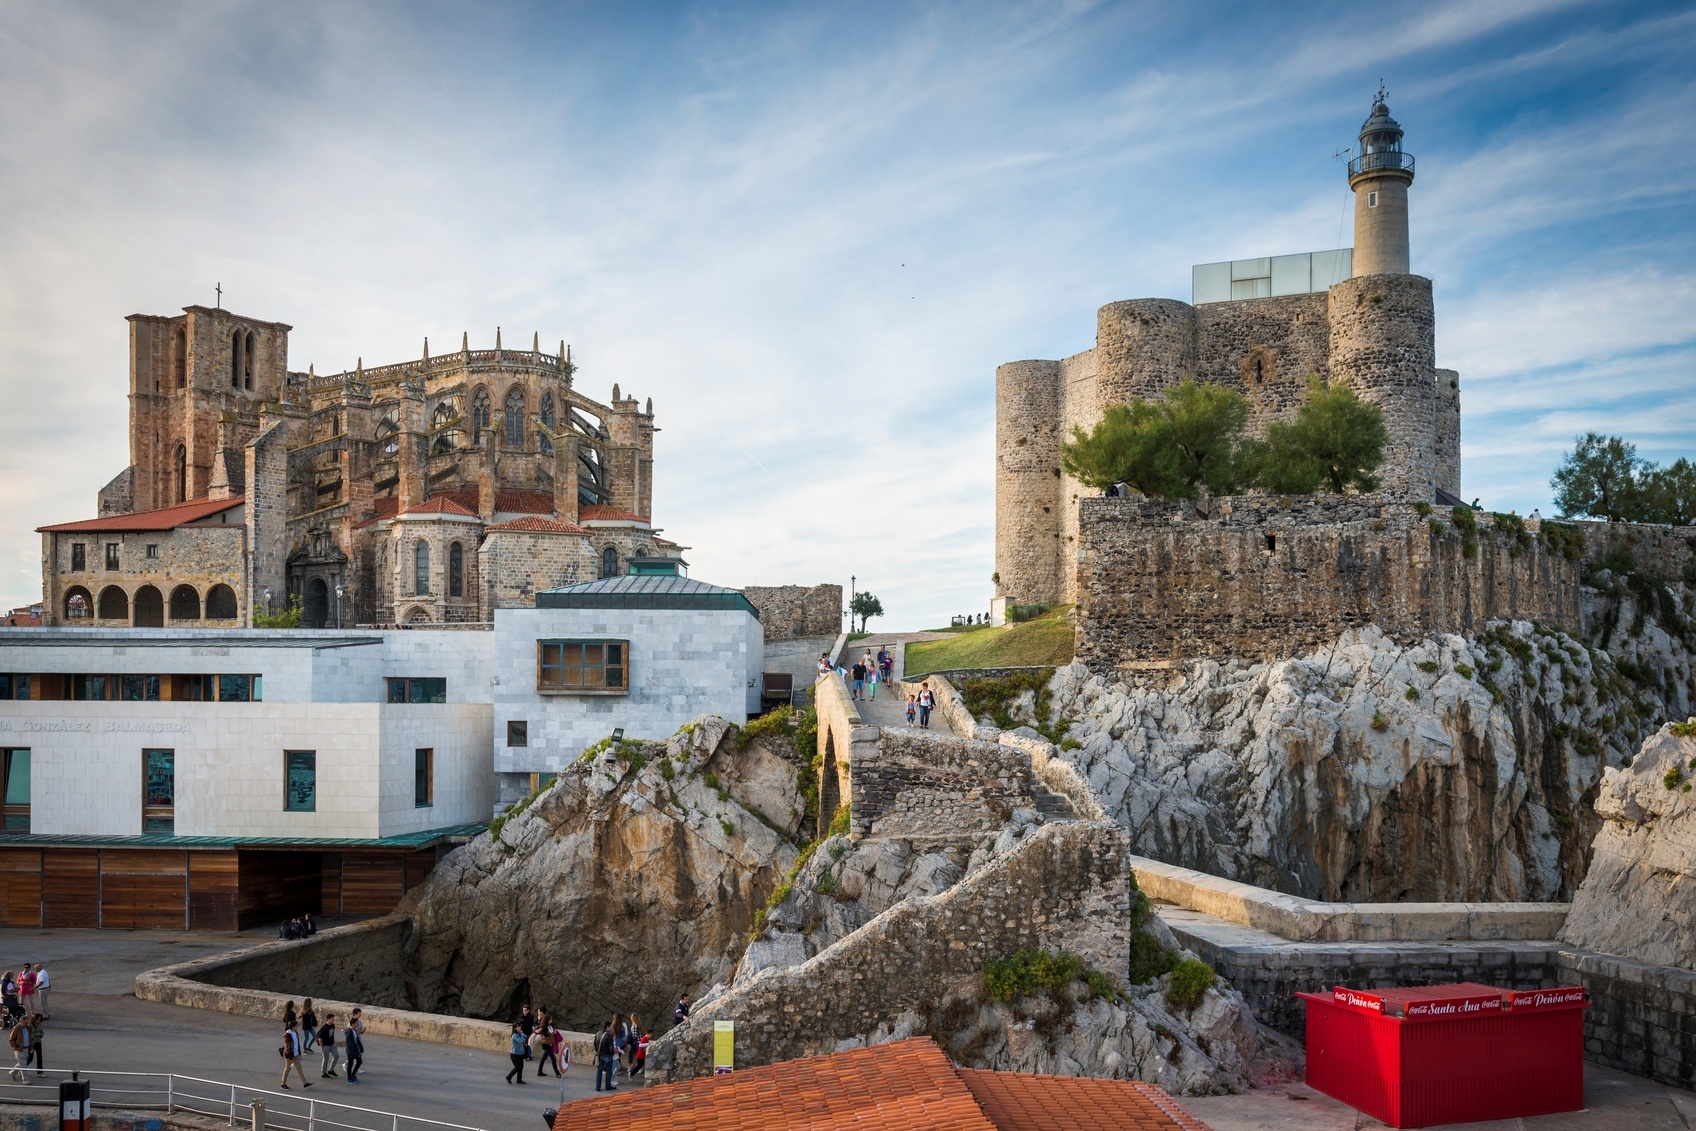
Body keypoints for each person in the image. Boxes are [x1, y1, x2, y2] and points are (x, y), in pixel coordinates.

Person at [278, 1021, 311, 1090]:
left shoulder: (295, 1032)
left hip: (295, 1054)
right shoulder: (288, 1035)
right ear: (293, 1027)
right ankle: (283, 1084)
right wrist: (291, 1057)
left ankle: (305, 1083)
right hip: (290, 1055)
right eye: (296, 1026)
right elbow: (288, 1047)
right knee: (288, 1068)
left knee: (299, 1068)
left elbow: (297, 1044)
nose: (297, 1027)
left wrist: (299, 1053)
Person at [593, 1021, 616, 1092]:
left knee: (599, 1071)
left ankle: (598, 1086)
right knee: (609, 1071)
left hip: (599, 1055)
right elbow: (611, 1048)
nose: (611, 1028)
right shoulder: (609, 1036)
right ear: (608, 1027)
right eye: (610, 1026)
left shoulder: (598, 1033)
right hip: (607, 1056)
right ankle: (608, 1086)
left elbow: (595, 1044)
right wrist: (612, 1054)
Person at [343, 1013, 365, 1084]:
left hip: (355, 1051)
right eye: (356, 1023)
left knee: (359, 1061)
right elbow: (351, 1044)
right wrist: (357, 1052)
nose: (357, 1024)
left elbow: (357, 1040)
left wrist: (361, 1048)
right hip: (351, 1051)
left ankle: (353, 1075)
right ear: (352, 1024)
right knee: (350, 1064)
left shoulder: (354, 1031)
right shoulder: (349, 1033)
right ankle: (349, 1078)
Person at [318, 1013, 341, 1078]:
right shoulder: (324, 1028)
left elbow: (332, 1034)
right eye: (332, 1019)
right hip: (326, 1046)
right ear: (328, 1019)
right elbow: (320, 1038)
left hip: (332, 1044)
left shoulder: (333, 1026)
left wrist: (334, 1042)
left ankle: (331, 1070)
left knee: (336, 1056)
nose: (333, 1020)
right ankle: (323, 1073)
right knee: (325, 1060)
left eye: (333, 1019)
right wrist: (321, 1047)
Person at [7, 1013, 27, 1083]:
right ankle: (25, 1079)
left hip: (26, 1048)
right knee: (23, 1064)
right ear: (21, 1022)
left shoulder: (26, 1028)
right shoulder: (16, 1029)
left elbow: (29, 1037)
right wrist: (16, 1047)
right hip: (19, 1049)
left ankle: (12, 1072)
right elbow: (11, 1039)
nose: (26, 1024)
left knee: (22, 1063)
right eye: (25, 1023)